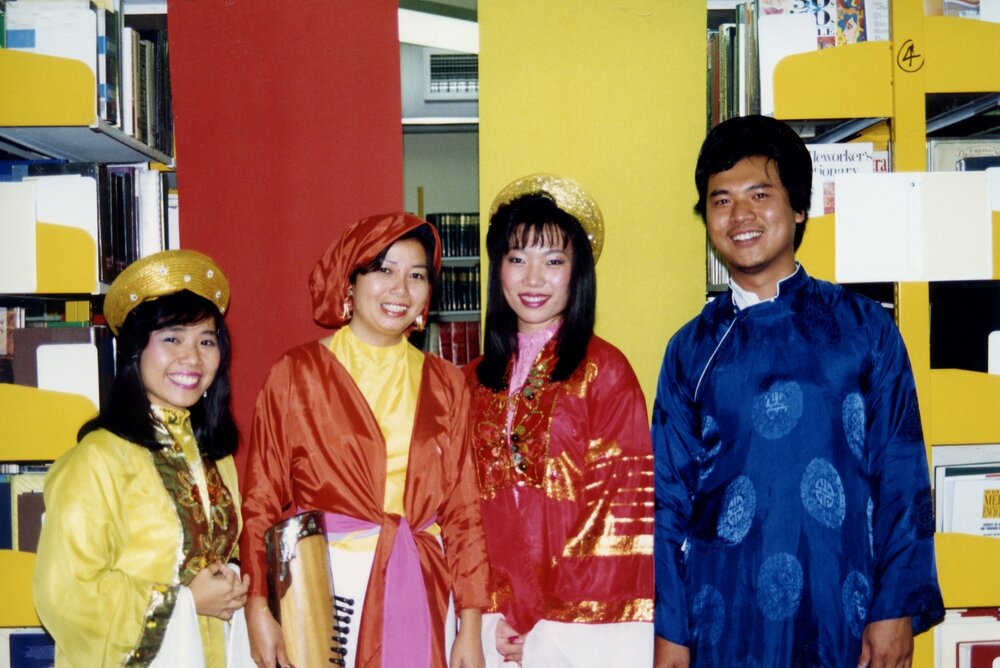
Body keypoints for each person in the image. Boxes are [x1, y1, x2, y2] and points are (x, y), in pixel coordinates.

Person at [652, 115, 944, 667]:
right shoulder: (690, 350)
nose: (740, 216)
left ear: (799, 206)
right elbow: (668, 503)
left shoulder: (864, 329)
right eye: (721, 201)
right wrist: (671, 632)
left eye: (760, 194)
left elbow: (902, 475)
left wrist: (895, 607)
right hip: (723, 617)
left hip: (845, 608)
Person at [239, 212, 489, 668]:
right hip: (323, 591)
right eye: (384, 270)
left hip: (422, 587)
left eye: (416, 275)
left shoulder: (446, 382)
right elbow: (260, 501)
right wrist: (258, 602)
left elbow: (463, 513)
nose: (401, 289)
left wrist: (469, 627)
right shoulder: (297, 374)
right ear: (349, 282)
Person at [465, 174, 655, 667]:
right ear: (498, 270)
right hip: (490, 624)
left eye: (553, 261)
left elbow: (614, 515)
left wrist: (550, 624)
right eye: (517, 259)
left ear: (578, 272)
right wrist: (486, 616)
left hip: (574, 629)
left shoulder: (605, 372)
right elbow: (459, 508)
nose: (533, 279)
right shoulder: (468, 382)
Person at [34, 249, 251, 667]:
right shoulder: (97, 459)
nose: (192, 357)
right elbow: (65, 592)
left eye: (206, 341)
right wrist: (183, 602)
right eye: (172, 339)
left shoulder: (214, 456)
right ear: (135, 351)